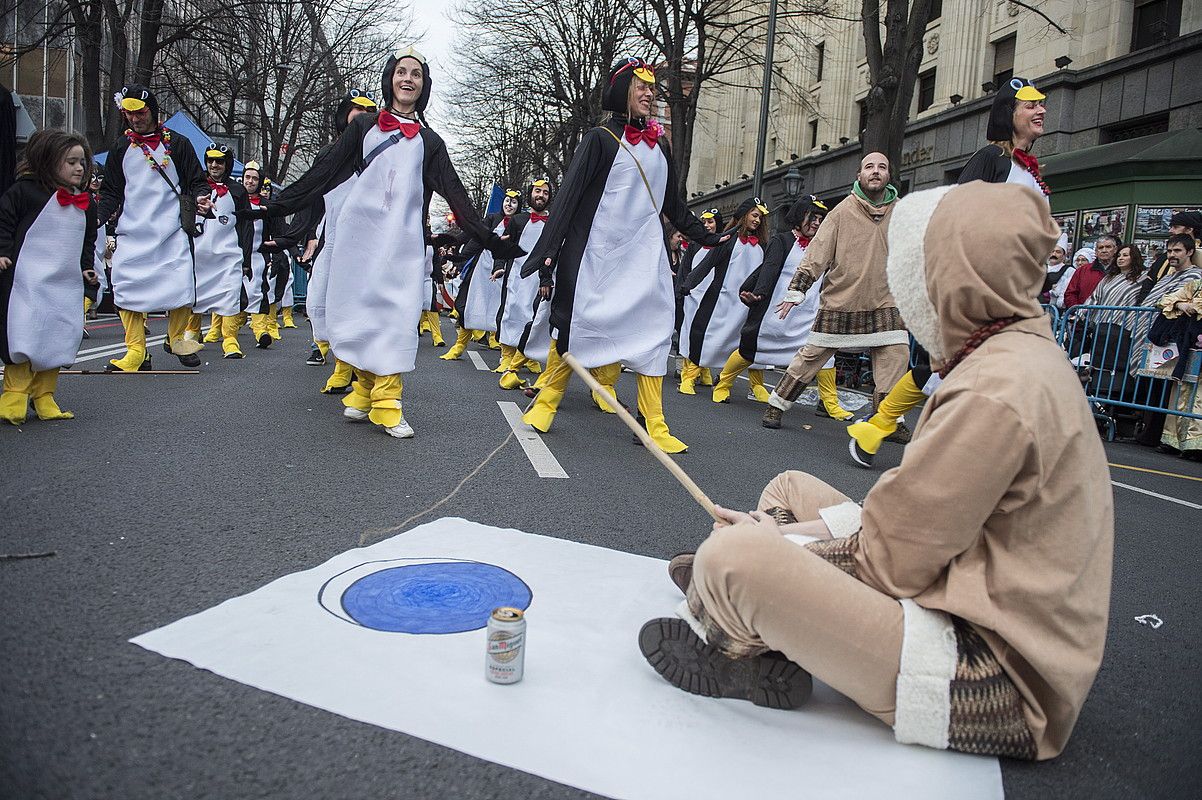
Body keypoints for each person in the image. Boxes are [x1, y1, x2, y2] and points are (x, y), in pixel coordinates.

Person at [638, 181, 1114, 763]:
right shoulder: (1016, 355)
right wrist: (782, 537)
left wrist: (774, 548)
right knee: (788, 487)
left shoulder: (994, 392)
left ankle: (740, 633)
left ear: (957, 277)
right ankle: (765, 615)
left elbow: (888, 560)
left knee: (729, 561)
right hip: (965, 588)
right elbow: (911, 532)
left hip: (993, 675)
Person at [268, 47, 521, 439]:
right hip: (359, 239)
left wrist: (491, 241)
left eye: (416, 75)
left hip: (402, 244)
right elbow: (323, 172)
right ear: (390, 79)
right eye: (402, 72)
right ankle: (366, 388)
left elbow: (457, 196)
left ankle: (388, 401)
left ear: (423, 86)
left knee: (398, 317)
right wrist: (274, 206)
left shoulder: (430, 142)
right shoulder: (364, 127)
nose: (408, 79)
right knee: (361, 312)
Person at [516, 57, 723, 453]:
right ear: (622, 92)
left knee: (655, 335)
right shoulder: (599, 139)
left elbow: (674, 206)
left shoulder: (661, 145)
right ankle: (546, 402)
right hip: (599, 259)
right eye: (640, 87)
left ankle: (654, 425)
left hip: (646, 261)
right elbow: (569, 199)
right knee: (580, 328)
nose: (649, 94)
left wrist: (711, 238)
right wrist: (547, 255)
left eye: (652, 88)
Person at [848, 78, 1052, 466]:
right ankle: (885, 429)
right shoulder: (991, 159)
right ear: (1008, 114)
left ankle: (888, 430)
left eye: (1042, 103)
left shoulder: (1030, 170)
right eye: (1030, 105)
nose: (1040, 110)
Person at [760, 152, 909, 434]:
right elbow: (816, 254)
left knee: (895, 356)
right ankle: (777, 404)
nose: (875, 171)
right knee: (811, 356)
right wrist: (797, 291)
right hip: (842, 300)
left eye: (881, 167)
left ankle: (888, 420)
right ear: (859, 175)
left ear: (889, 175)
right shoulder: (841, 212)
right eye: (869, 167)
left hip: (886, 300)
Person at [97, 84, 212, 371]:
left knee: (180, 284)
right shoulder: (121, 147)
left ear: (153, 109)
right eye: (129, 114)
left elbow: (196, 180)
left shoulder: (179, 143)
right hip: (133, 232)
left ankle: (176, 340)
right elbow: (111, 190)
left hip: (171, 231)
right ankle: (136, 351)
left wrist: (202, 199)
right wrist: (94, 219)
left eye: (141, 113)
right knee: (126, 287)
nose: (135, 120)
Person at [712, 196, 851, 417]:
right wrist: (757, 294)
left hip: (808, 314)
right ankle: (723, 384)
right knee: (750, 351)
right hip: (775, 313)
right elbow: (768, 270)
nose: (816, 222)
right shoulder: (782, 241)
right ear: (799, 216)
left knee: (825, 355)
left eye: (820, 219)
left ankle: (829, 403)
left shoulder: (824, 246)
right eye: (812, 217)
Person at [0, 129, 98, 424]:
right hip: (26, 281)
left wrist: (86, 266)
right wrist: (2, 250)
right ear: (49, 161)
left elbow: (87, 239)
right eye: (71, 162)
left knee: (57, 335)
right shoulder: (24, 191)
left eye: (82, 162)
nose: (79, 168)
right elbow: (4, 221)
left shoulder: (86, 202)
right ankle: (15, 393)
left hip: (63, 283)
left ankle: (44, 394)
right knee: (24, 333)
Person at [298, 89, 378, 393]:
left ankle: (347, 369)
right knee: (320, 301)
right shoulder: (328, 154)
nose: (360, 115)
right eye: (355, 109)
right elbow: (313, 199)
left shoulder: (380, 155)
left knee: (356, 308)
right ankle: (336, 358)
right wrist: (309, 237)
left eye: (367, 111)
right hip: (332, 240)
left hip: (365, 247)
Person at [677, 197, 769, 403]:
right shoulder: (727, 240)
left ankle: (756, 385)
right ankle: (689, 377)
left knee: (749, 346)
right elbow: (707, 264)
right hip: (720, 301)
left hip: (747, 305)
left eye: (761, 217)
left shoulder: (763, 245)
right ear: (744, 215)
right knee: (706, 339)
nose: (757, 220)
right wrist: (688, 285)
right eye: (755, 215)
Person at [1129, 234, 1202, 448]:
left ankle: (1170, 438)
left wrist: (1179, 305)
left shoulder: (1194, 276)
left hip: (1179, 338)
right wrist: (1177, 304)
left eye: (1177, 251)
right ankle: (1152, 433)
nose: (1172, 255)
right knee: (1154, 384)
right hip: (1160, 337)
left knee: (1171, 389)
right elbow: (1163, 299)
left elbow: (1190, 304)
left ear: (1189, 252)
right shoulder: (1168, 276)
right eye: (1169, 251)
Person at [441, 189, 521, 361]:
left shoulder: (521, 223)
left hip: (506, 271)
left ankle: (513, 356)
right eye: (507, 200)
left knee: (506, 310)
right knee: (467, 305)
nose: (509, 204)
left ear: (518, 205)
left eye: (513, 202)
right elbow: (473, 234)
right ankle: (459, 346)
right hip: (481, 269)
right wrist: (453, 244)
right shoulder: (492, 218)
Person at [191, 143, 253, 358]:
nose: (214, 165)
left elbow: (247, 226)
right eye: (210, 160)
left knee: (230, 295)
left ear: (227, 164)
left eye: (219, 161)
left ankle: (230, 339)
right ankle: (191, 334)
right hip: (199, 253)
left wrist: (246, 261)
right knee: (194, 295)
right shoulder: (196, 188)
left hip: (228, 254)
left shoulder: (238, 190)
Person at [495, 179, 553, 390]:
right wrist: (499, 265)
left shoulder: (554, 221)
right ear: (530, 194)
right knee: (511, 312)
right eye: (538, 191)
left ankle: (529, 355)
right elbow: (504, 246)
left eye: (545, 193)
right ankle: (506, 356)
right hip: (517, 276)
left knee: (534, 315)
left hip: (540, 278)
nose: (541, 195)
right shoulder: (518, 220)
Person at [1152, 277, 1202, 460]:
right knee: (1181, 390)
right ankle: (1174, 440)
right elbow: (1164, 299)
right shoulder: (1196, 285)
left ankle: (1196, 444)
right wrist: (1181, 305)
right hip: (1189, 347)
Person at [676, 208, 722, 394]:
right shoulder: (695, 244)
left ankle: (704, 369)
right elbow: (685, 268)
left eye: (710, 222)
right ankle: (690, 370)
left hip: (711, 296)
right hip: (693, 295)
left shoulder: (722, 244)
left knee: (708, 333)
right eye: (704, 222)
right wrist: (682, 289)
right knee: (689, 331)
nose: (707, 225)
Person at [1063, 234, 1118, 309]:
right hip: (1085, 317)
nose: (1104, 250)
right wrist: (1077, 311)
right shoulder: (1082, 271)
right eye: (1100, 248)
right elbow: (1070, 294)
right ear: (1096, 252)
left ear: (1115, 250)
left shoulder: (1121, 270)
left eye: (1108, 247)